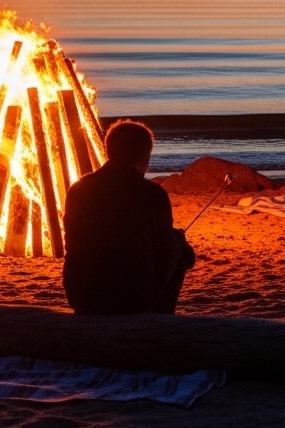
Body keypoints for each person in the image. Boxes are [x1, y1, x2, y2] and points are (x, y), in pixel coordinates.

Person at [62, 120, 195, 314]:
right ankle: (161, 316)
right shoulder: (151, 193)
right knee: (180, 247)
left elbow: (71, 242)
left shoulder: (78, 188)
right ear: (144, 157)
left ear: (108, 151)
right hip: (132, 296)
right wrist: (180, 244)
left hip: (81, 295)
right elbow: (164, 249)